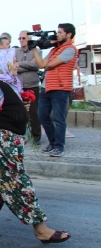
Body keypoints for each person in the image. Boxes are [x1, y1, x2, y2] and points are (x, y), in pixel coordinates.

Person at [0, 49, 70, 244]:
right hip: (1, 144)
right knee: (18, 183)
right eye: (14, 61)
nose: (17, 65)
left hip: (9, 143)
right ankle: (40, 228)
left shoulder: (9, 84)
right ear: (3, 63)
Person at [32, 23, 79, 157]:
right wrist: (34, 48)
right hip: (47, 87)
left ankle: (59, 146)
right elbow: (41, 64)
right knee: (42, 116)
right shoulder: (54, 50)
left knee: (59, 118)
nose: (57, 35)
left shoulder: (70, 49)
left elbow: (49, 65)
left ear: (68, 34)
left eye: (60, 32)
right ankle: (52, 143)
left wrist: (46, 64)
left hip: (60, 88)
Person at [15, 30, 41, 144]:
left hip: (32, 85)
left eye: (23, 38)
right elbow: (13, 68)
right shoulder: (15, 52)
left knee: (34, 112)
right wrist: (28, 64)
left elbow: (37, 65)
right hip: (19, 86)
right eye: (19, 38)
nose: (21, 40)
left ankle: (36, 136)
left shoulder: (36, 51)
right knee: (20, 112)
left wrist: (20, 63)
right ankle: (22, 135)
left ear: (29, 39)